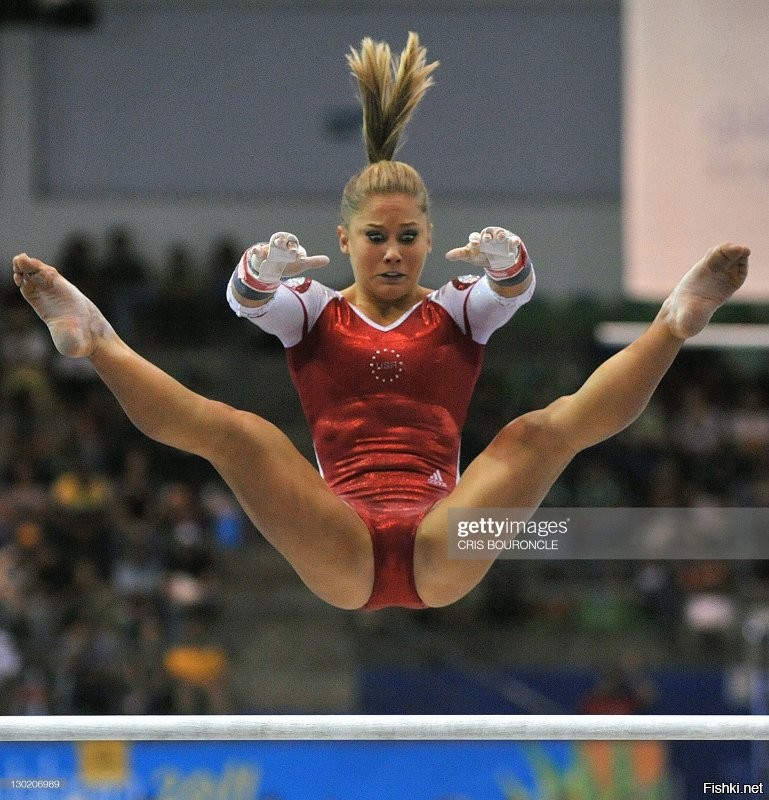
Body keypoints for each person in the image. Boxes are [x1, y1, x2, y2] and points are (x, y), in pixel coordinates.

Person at [11, 33, 749, 613]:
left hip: (444, 539)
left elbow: (510, 290)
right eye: (374, 237)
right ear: (343, 242)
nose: (391, 253)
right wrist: (260, 275)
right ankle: (95, 340)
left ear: (430, 239)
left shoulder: (458, 306)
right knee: (239, 435)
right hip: (341, 542)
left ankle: (673, 323)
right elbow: (247, 302)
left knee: (537, 433)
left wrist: (508, 258)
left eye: (405, 238)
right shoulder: (313, 310)